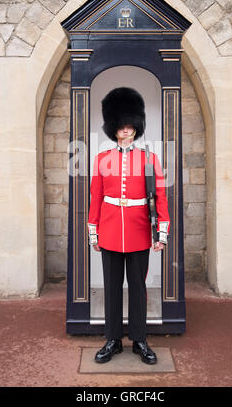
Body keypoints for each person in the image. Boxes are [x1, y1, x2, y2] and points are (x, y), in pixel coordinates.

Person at [87, 87, 170, 365]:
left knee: (137, 287)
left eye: (130, 124)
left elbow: (160, 197)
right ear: (114, 128)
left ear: (136, 126)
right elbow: (95, 198)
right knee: (112, 287)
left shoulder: (149, 159)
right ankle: (112, 339)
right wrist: (93, 231)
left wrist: (161, 233)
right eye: (121, 125)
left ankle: (139, 339)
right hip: (110, 231)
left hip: (138, 231)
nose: (126, 129)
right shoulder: (102, 159)